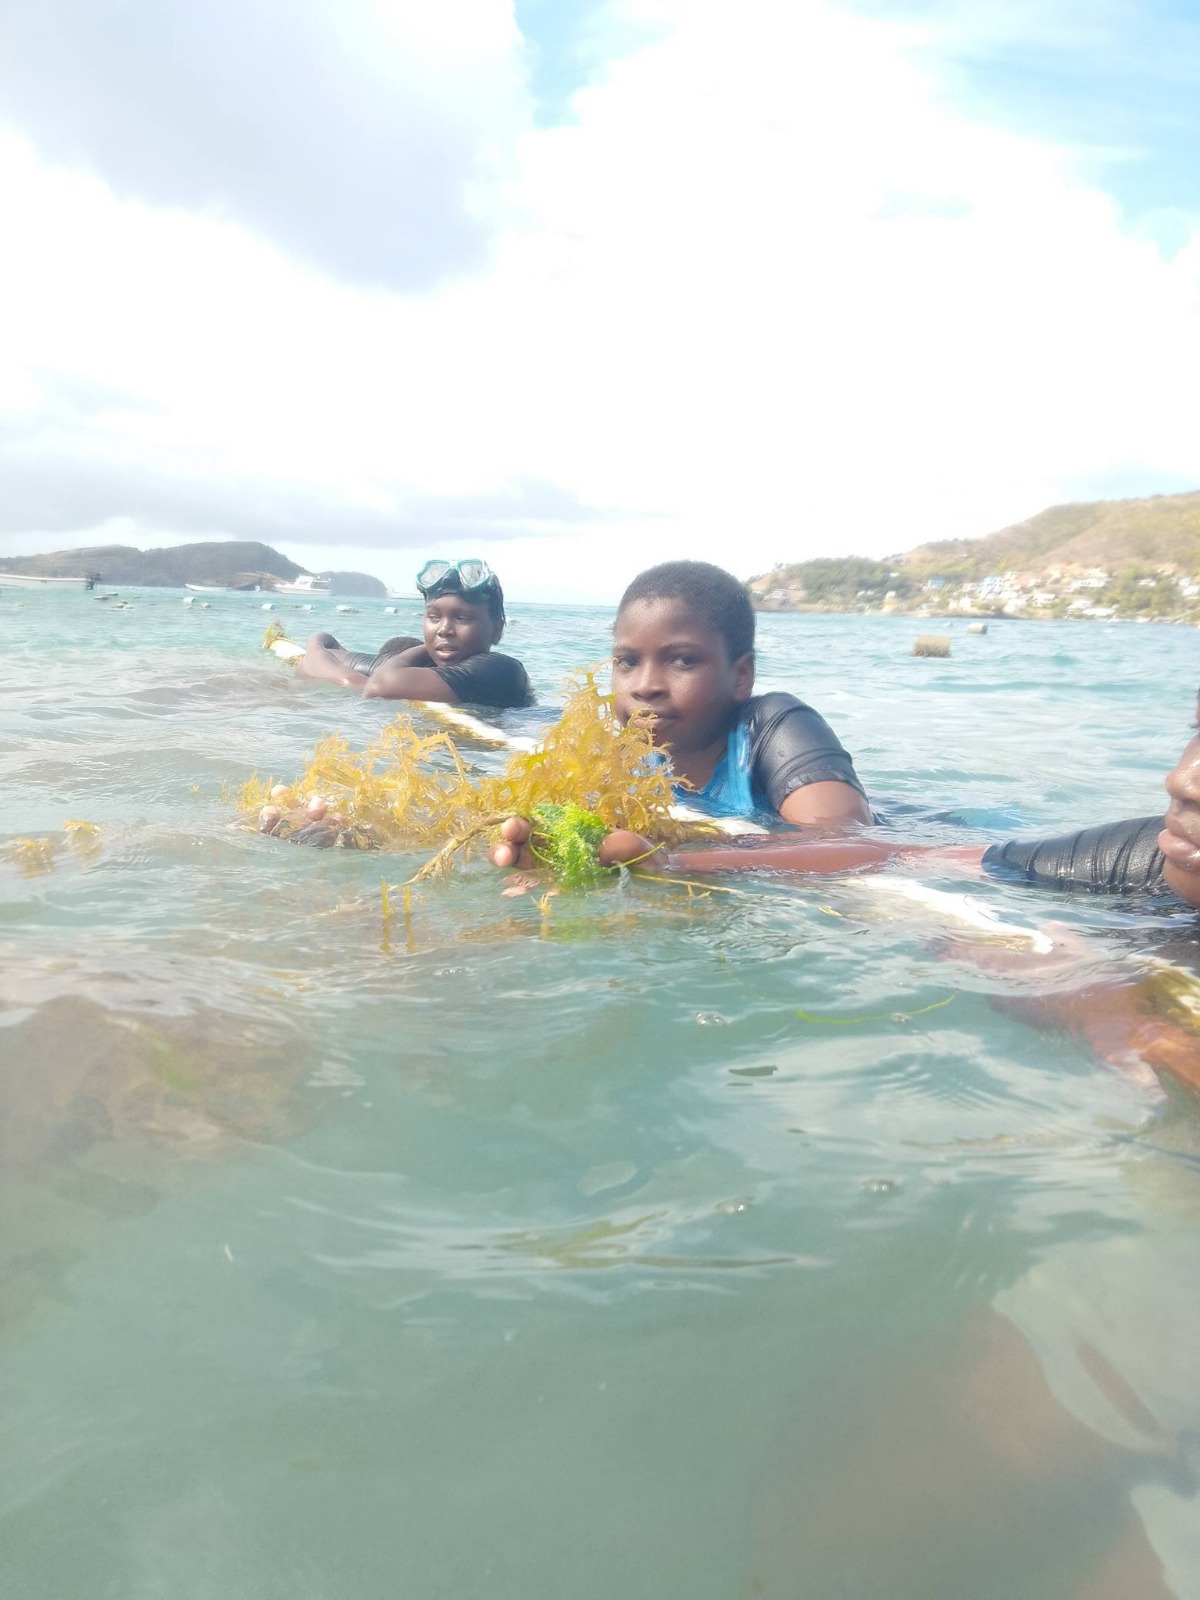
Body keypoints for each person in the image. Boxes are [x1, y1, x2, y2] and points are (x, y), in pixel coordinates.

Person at [296, 559, 533, 709]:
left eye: (461, 618)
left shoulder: (501, 670)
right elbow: (321, 650)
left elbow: (379, 685)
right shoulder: (426, 667)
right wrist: (347, 678)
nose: (444, 629)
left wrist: (362, 683)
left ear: (497, 630)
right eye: (434, 617)